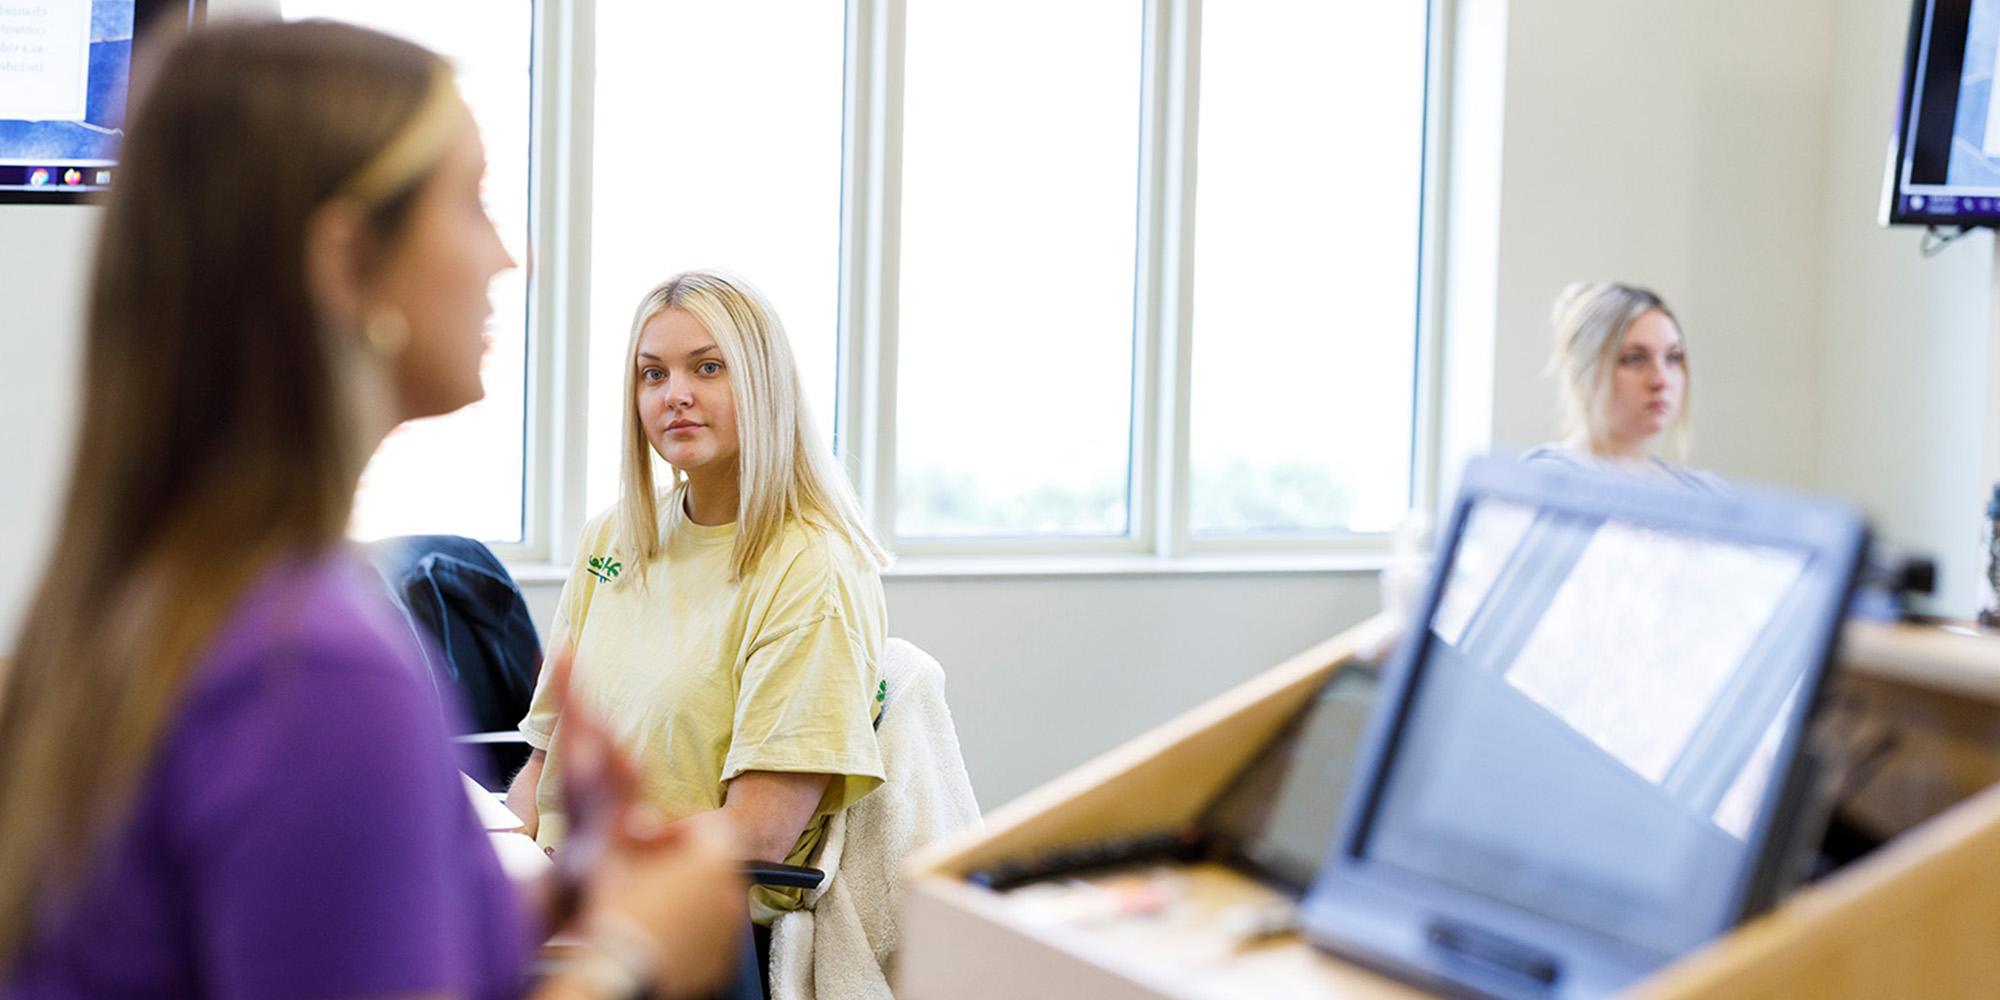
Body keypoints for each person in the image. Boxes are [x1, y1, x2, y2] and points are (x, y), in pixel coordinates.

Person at [0, 20, 746, 1000]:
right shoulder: (310, 669)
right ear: (347, 259)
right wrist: (633, 954)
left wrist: (553, 899)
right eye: (471, 203)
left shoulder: (161, 597)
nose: (506, 258)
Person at [506, 270, 892, 931]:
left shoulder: (809, 567)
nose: (675, 395)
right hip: (566, 892)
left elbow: (757, 834)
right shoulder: (614, 535)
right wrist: (498, 862)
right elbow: (546, 760)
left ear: (763, 385)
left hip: (683, 925)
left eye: (707, 368)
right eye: (652, 374)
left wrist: (571, 886)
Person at [1523, 281, 1724, 491]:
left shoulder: (1706, 493)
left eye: (1673, 358)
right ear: (1581, 372)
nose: (1661, 380)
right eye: (1635, 359)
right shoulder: (1546, 478)